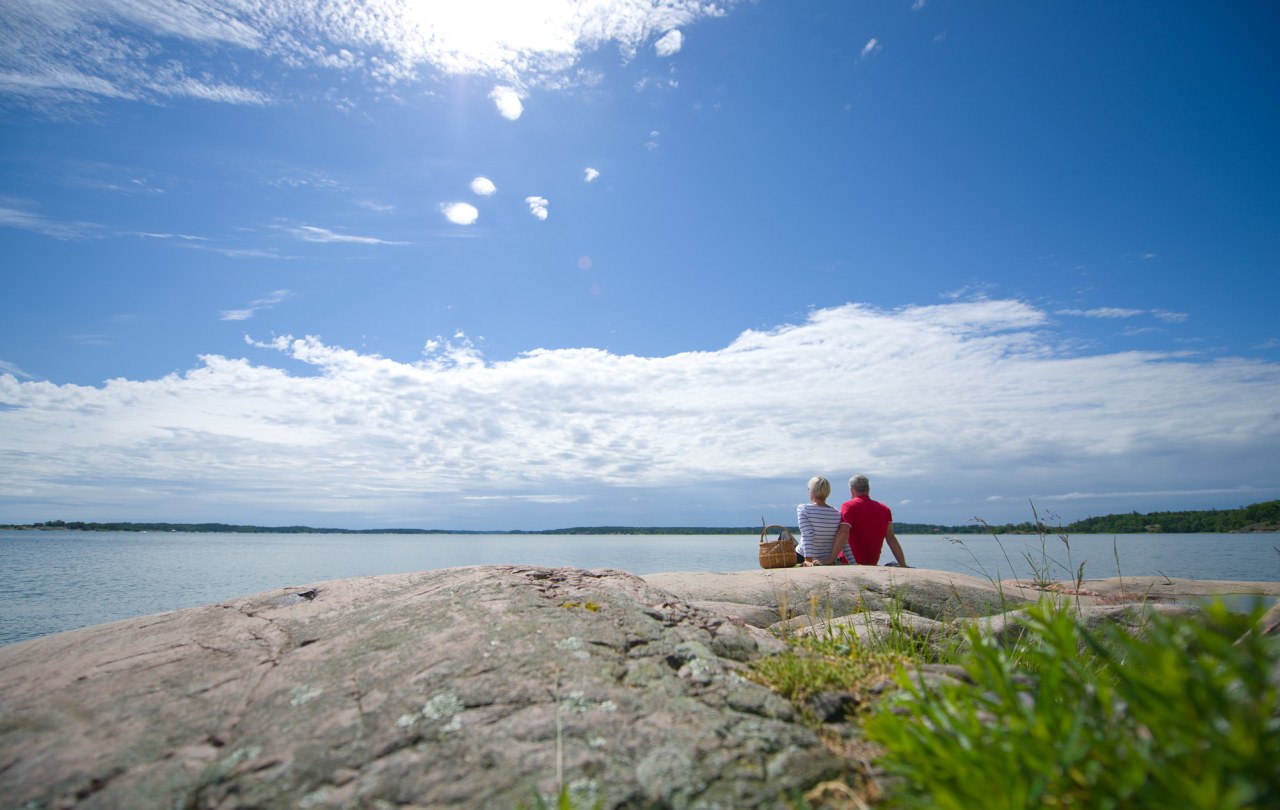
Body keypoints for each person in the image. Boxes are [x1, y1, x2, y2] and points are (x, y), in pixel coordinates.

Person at [823, 474, 908, 567]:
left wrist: (830, 560)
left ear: (852, 490)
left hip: (848, 562)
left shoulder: (848, 506)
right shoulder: (885, 509)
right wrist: (903, 564)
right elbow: (891, 538)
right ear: (868, 489)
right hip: (871, 562)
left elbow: (843, 533)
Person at [796, 476, 841, 566]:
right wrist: (852, 561)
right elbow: (842, 538)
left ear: (811, 491)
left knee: (784, 536)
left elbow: (807, 534)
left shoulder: (804, 509)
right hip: (825, 557)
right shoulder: (836, 512)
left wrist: (808, 560)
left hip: (803, 555)